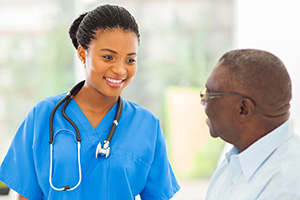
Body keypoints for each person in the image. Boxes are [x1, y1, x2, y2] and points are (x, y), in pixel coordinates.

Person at [0, 4, 180, 200]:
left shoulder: (147, 126)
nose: (120, 70)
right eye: (108, 57)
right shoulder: (43, 116)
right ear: (82, 53)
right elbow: (25, 196)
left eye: (130, 60)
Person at [200, 49, 300, 199]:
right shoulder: (235, 162)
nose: (203, 102)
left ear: (243, 109)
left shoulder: (284, 186)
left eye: (210, 94)